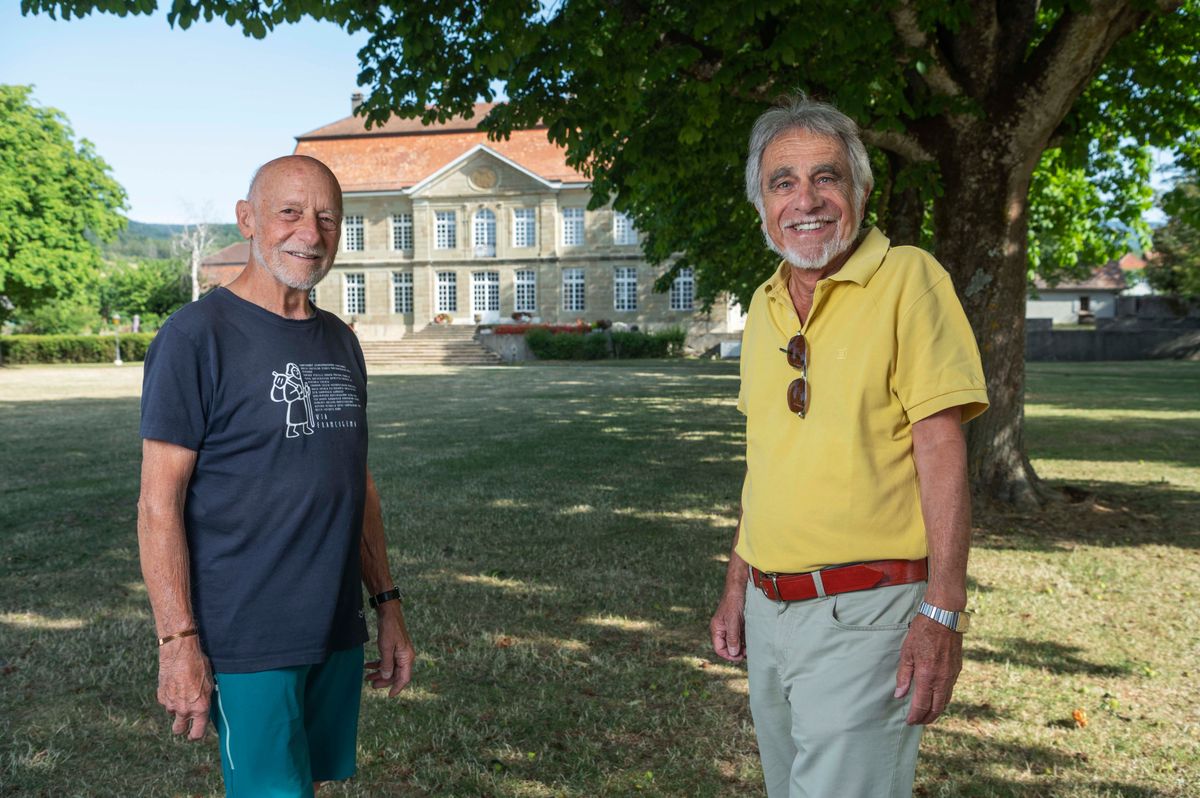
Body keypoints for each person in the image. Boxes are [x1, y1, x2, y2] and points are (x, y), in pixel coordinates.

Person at [709, 95, 989, 798]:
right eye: (783, 182)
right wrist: (736, 584)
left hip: (870, 613)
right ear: (762, 206)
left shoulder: (910, 280)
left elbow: (941, 446)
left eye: (826, 177)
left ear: (860, 191)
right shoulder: (765, 302)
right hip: (770, 618)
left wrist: (943, 609)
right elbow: (765, 462)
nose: (807, 199)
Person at [137, 155, 415, 797]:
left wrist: (387, 604)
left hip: (334, 625)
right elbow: (158, 506)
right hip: (249, 634)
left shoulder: (341, 342)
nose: (309, 234)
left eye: (326, 218)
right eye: (289, 213)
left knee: (308, 783)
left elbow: (357, 483)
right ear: (249, 221)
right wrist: (177, 641)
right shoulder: (194, 337)